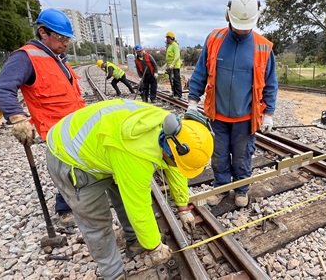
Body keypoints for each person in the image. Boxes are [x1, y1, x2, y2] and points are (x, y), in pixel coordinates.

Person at [45, 99, 214, 280]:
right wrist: (154, 247)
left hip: (105, 142)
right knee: (97, 222)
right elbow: (138, 207)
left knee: (123, 197)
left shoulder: (173, 130)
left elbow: (176, 167)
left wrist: (183, 207)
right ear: (170, 148)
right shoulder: (136, 155)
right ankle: (113, 273)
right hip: (70, 154)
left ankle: (134, 242)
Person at [0, 8, 85, 226]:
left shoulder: (59, 59)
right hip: (56, 128)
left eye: (67, 38)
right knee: (68, 169)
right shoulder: (26, 57)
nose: (65, 43)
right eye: (61, 37)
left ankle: (80, 200)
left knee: (78, 167)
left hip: (76, 124)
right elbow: (2, 87)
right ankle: (65, 209)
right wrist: (17, 117)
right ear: (43, 32)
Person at [187, 0, 278, 208]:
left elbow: (270, 83)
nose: (241, 29)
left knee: (242, 156)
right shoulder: (214, 39)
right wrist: (192, 101)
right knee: (218, 155)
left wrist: (269, 114)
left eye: (246, 25)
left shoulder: (263, 47)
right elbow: (200, 72)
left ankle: (241, 189)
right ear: (228, 15)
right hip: (217, 115)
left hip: (245, 118)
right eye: (238, 24)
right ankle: (221, 187)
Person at [165, 31, 182, 99]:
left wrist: (173, 64)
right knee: (172, 80)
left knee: (176, 80)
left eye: (168, 38)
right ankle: (174, 93)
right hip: (170, 67)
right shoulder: (170, 46)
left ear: (171, 38)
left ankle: (178, 95)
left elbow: (177, 56)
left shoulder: (175, 45)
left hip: (175, 67)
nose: (167, 39)